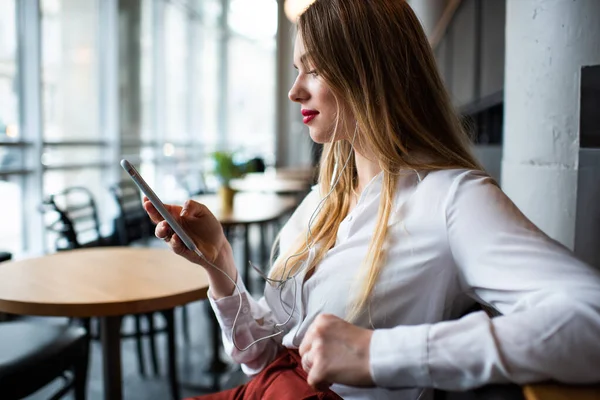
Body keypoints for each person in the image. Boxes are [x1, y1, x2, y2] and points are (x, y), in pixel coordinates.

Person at [143, 0, 600, 399]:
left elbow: (590, 319)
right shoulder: (323, 200)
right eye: (297, 69)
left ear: (369, 72)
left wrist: (378, 354)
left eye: (315, 68)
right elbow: (262, 358)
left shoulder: (451, 199)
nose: (294, 90)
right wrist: (218, 261)